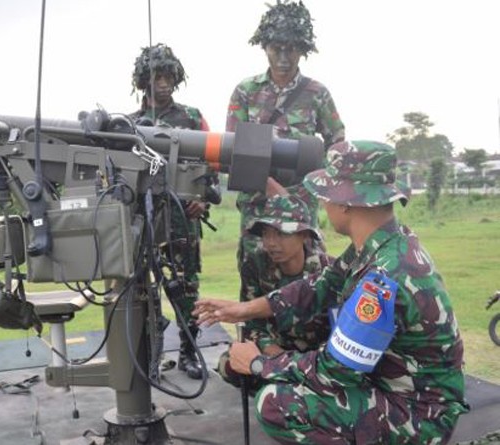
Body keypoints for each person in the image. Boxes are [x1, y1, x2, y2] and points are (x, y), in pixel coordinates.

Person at [194, 141, 469, 444]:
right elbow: (320, 287)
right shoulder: (384, 243)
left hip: (418, 414)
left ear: (346, 202)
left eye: (326, 193)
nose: (322, 203)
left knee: (277, 403)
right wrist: (244, 309)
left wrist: (260, 363)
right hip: (402, 390)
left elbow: (335, 371)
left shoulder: (382, 279)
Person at [226, 0, 345, 303]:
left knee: (311, 286)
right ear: (264, 46)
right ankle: (255, 347)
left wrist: (312, 190)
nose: (282, 57)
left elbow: (338, 147)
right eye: (276, 48)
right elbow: (232, 151)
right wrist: (271, 187)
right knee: (254, 281)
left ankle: (308, 349)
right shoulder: (246, 92)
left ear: (303, 48)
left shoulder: (316, 93)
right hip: (257, 211)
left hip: (301, 211)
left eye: (291, 49)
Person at [130, 43, 216, 380]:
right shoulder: (129, 123)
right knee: (140, 288)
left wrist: (205, 199)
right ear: (144, 81)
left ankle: (189, 351)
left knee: (185, 288)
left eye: (169, 76)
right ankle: (150, 354)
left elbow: (212, 161)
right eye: (157, 76)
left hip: (183, 218)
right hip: (144, 220)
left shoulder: (191, 118)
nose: (164, 83)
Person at [240, 194, 332, 356]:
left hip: (317, 357)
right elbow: (252, 322)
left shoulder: (329, 271)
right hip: (274, 351)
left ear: (304, 235)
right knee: (229, 364)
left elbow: (340, 329)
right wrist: (277, 356)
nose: (271, 243)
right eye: (266, 234)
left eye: (281, 234)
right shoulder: (255, 264)